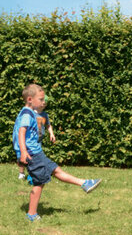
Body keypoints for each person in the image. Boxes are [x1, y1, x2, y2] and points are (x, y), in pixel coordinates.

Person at [13, 84, 101, 222]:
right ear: (30, 99)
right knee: (39, 182)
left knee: (55, 169)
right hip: (32, 154)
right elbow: (21, 132)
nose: (44, 102)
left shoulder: (32, 113)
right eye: (41, 99)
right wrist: (23, 152)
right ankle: (31, 213)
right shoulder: (26, 113)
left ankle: (85, 183)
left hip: (37, 152)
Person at [16, 94, 55, 181]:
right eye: (42, 102)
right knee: (23, 158)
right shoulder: (31, 113)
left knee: (36, 158)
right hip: (29, 140)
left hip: (38, 140)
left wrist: (51, 134)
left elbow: (48, 125)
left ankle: (34, 173)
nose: (43, 104)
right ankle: (21, 173)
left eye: (45, 103)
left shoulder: (44, 115)